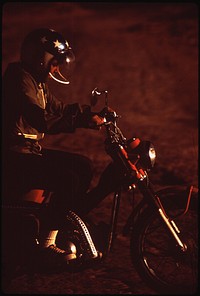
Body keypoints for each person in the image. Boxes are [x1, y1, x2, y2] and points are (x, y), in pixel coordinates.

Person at [2, 28, 120, 270]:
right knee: (67, 179)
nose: (57, 69)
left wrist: (90, 115)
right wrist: (81, 122)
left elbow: (60, 108)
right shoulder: (19, 79)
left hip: (28, 150)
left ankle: (63, 222)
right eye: (55, 63)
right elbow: (41, 118)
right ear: (41, 59)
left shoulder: (36, 81)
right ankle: (47, 244)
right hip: (14, 155)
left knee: (84, 166)